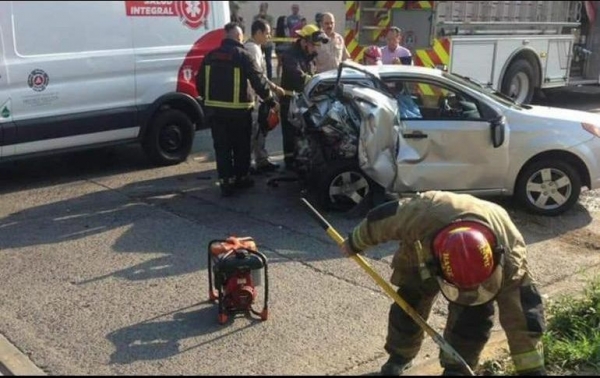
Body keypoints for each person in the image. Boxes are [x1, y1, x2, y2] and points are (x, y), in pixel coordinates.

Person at [339, 191, 546, 376]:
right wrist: (354, 242)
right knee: (409, 305)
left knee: (473, 317)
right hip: (423, 250)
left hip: (488, 237)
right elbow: (380, 221)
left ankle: (457, 368)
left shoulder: (511, 260)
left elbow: (523, 319)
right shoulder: (422, 213)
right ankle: (399, 357)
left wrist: (532, 371)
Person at [196, 22, 278, 197]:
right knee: (240, 146)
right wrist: (271, 101)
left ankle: (226, 181)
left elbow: (199, 82)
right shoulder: (243, 55)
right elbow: (258, 81)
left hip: (216, 112)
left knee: (222, 147)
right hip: (239, 112)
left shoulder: (210, 56)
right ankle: (241, 178)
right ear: (239, 37)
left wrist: (208, 100)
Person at [279, 24, 329, 171]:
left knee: (302, 133)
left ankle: (301, 160)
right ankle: (290, 164)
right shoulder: (290, 55)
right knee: (290, 134)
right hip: (290, 101)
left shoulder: (308, 56)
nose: (315, 49)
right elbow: (298, 76)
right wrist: (317, 81)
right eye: (314, 45)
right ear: (304, 42)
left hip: (303, 100)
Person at [244, 19, 285, 174]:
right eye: (267, 33)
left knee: (260, 129)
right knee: (254, 131)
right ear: (258, 32)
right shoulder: (252, 49)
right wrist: (273, 88)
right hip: (253, 96)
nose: (269, 37)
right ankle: (248, 164)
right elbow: (258, 75)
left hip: (257, 95)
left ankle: (261, 160)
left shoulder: (256, 48)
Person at [253, 2, 275, 80]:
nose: (262, 9)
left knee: (268, 62)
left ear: (266, 8)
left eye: (264, 7)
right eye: (261, 7)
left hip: (268, 44)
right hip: (259, 43)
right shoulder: (256, 17)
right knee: (258, 60)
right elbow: (255, 28)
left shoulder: (270, 18)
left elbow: (271, 29)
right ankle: (259, 76)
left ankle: (270, 78)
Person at [274, 15, 290, 80]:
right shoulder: (278, 29)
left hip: (287, 47)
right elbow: (275, 39)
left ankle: (284, 76)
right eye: (285, 20)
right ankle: (278, 76)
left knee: (285, 63)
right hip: (280, 48)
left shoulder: (287, 28)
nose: (286, 21)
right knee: (280, 63)